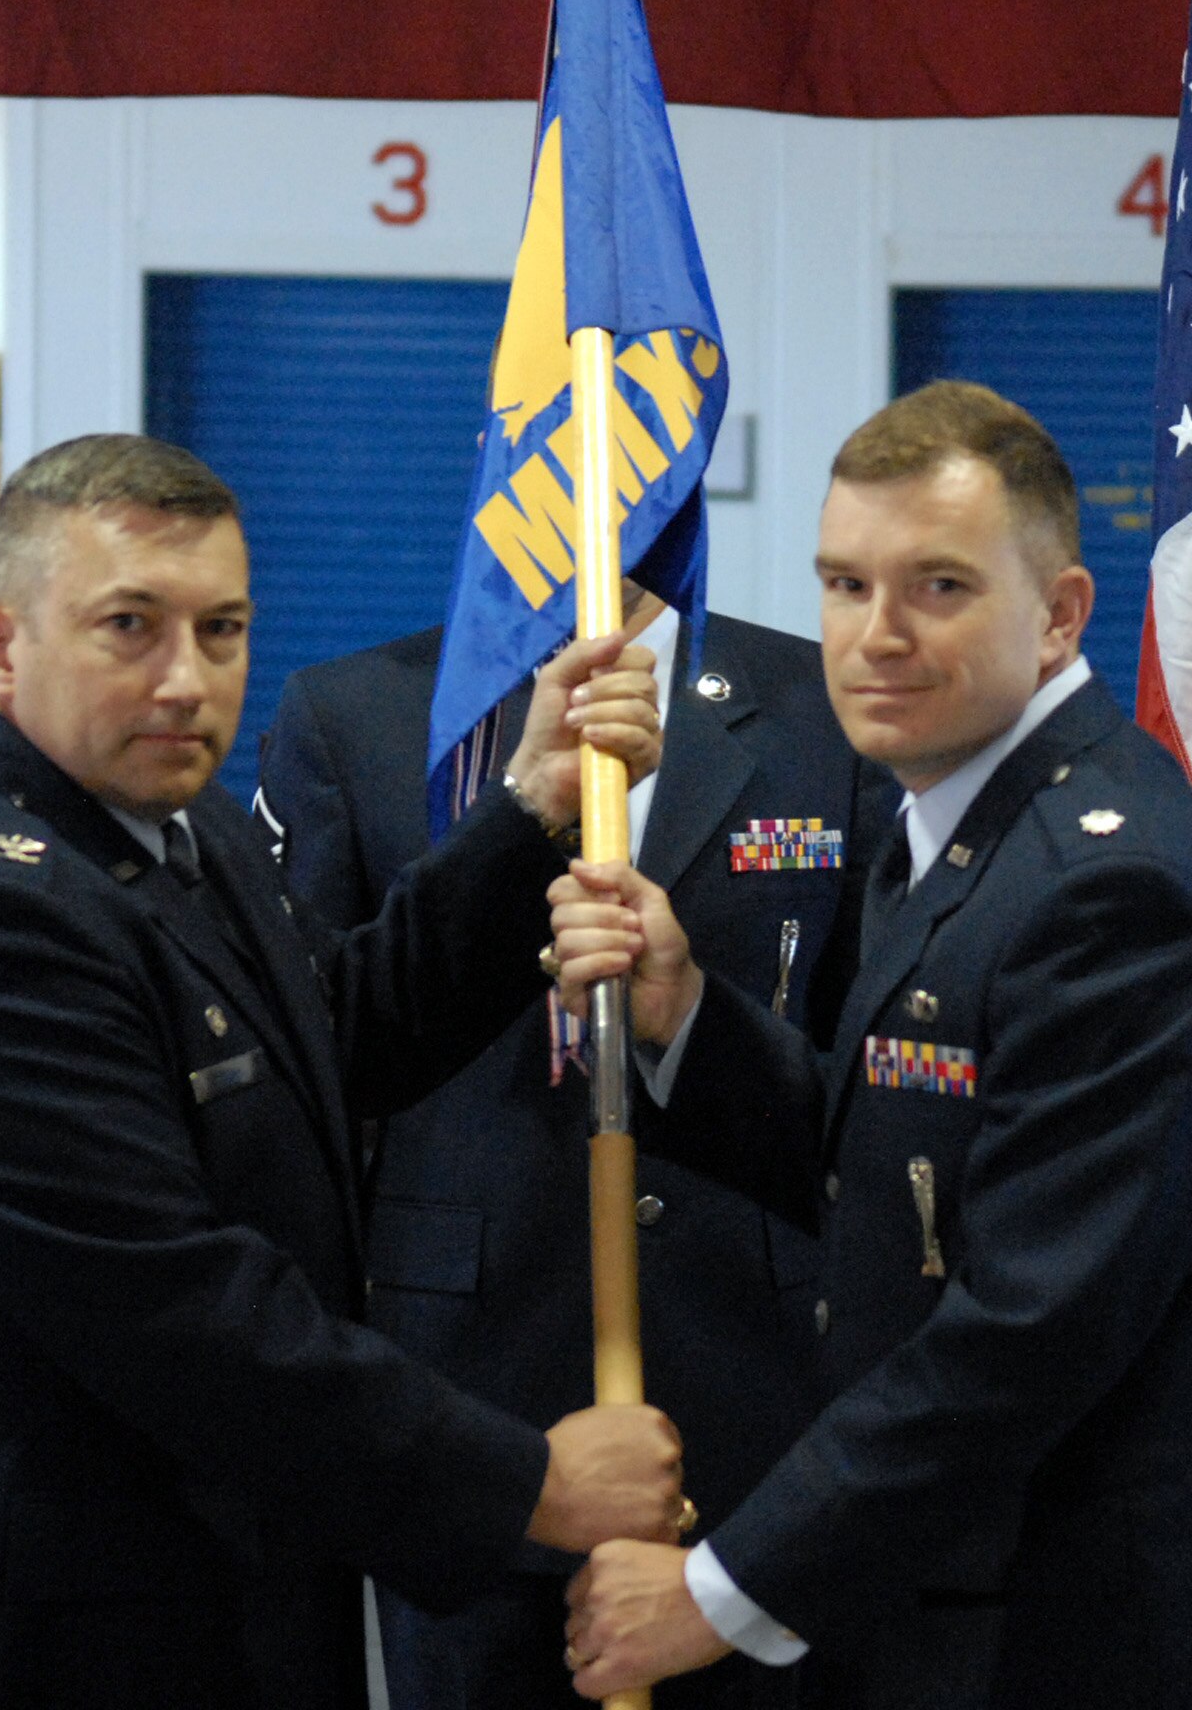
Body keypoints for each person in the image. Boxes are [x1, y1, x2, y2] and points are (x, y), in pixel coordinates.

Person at [0, 434, 687, 1710]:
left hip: (182, 1600)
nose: (187, 679)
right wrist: (527, 1482)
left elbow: (320, 1038)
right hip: (14, 1642)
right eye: (130, 625)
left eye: (222, 628)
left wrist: (529, 811)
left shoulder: (166, 824)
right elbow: (180, 1312)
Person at [550, 383, 1192, 1710]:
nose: (873, 638)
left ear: (1063, 612)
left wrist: (721, 1593)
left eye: (940, 587)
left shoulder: (1109, 891)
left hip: (1103, 1634)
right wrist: (687, 1016)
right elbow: (900, 1175)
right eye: (844, 585)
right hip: (968, 1601)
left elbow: (1022, 1335)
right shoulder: (958, 822)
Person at [259, 588, 892, 1709]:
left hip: (760, 1400)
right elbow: (312, 1065)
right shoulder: (350, 714)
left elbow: (870, 1091)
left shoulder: (821, 709)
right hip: (473, 1392)